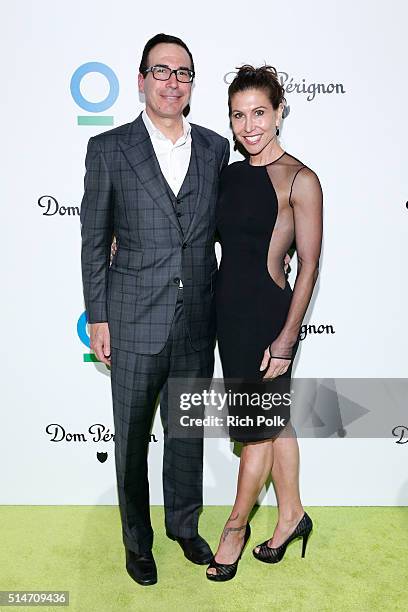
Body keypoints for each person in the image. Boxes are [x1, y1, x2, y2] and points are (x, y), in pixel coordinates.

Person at [80, 33, 230, 586]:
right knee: (131, 439)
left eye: (183, 73)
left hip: (197, 320)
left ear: (192, 84)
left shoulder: (216, 148)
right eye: (161, 71)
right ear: (141, 79)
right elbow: (94, 241)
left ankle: (184, 527)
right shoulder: (109, 148)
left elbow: (226, 229)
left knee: (186, 434)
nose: (172, 81)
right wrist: (98, 316)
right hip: (132, 319)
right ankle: (136, 542)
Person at [206, 65, 323, 581]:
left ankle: (235, 528)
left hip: (266, 321)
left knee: (255, 433)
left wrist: (285, 340)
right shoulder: (229, 174)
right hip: (227, 316)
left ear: (279, 113)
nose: (249, 125)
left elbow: (309, 267)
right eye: (238, 115)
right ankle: (292, 515)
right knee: (273, 423)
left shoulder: (301, 179)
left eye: (259, 112)